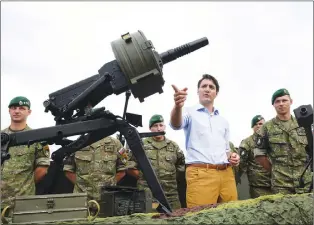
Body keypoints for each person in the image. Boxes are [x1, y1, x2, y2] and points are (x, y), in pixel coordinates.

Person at [170, 74, 240, 208]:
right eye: (204, 86)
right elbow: (176, 124)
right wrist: (178, 106)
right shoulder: (188, 112)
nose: (207, 89)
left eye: (211, 87)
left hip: (226, 176)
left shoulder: (223, 121)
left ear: (216, 93)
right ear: (198, 91)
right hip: (201, 175)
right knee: (200, 218)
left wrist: (233, 157)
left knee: (232, 215)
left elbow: (226, 151)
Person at [254, 88, 312, 194]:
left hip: (305, 181)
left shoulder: (304, 124)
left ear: (291, 101)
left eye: (284, 100)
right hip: (281, 184)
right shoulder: (266, 128)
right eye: (277, 101)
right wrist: (275, 170)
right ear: (273, 105)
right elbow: (259, 155)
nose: (281, 104)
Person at [1, 96, 50, 215]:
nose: (17, 111)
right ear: (9, 111)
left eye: (22, 108)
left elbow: (43, 168)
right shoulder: (2, 137)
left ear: (29, 112)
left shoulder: (37, 139)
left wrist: (23, 184)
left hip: (22, 202)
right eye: (13, 108)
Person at [130, 114, 186, 210]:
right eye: (155, 126)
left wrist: (171, 177)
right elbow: (130, 165)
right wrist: (144, 178)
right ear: (150, 128)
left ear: (164, 127)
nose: (158, 129)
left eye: (161, 125)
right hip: (147, 194)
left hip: (170, 195)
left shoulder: (173, 146)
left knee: (175, 219)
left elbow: (181, 166)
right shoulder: (141, 145)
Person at [71, 136, 132, 201]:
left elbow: (122, 170)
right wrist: (82, 186)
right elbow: (68, 170)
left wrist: (109, 186)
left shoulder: (116, 144)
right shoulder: (78, 144)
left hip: (107, 198)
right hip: (81, 198)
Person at [238, 115, 272, 198]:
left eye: (261, 124)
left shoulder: (272, 139)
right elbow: (241, 163)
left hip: (277, 182)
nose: (259, 126)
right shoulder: (247, 142)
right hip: (258, 185)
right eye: (256, 124)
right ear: (252, 127)